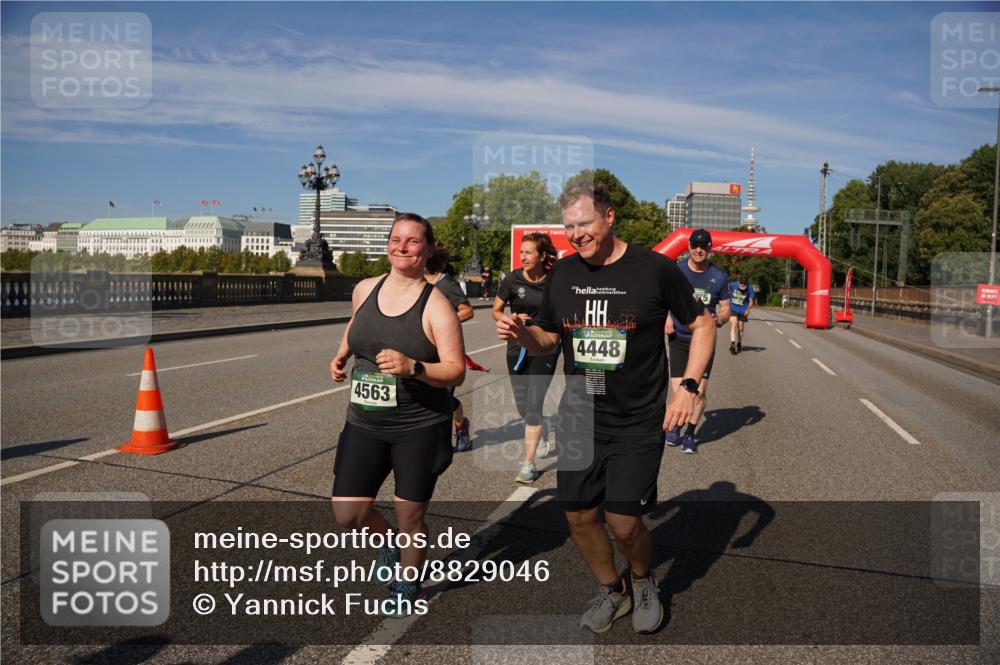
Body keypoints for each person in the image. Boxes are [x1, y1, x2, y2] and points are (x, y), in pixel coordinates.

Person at [496, 182, 716, 635]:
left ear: (609, 217)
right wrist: (523, 335)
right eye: (568, 226)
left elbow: (703, 322)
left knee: (623, 519)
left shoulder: (655, 270)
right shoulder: (563, 275)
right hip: (579, 416)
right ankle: (611, 589)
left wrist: (688, 386)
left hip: (637, 417)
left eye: (584, 223)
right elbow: (550, 338)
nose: (576, 234)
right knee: (578, 514)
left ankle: (641, 580)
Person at [329, 213, 466, 618]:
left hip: (418, 427)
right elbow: (357, 325)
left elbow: (455, 369)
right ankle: (388, 541)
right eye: (396, 239)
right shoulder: (365, 289)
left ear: (427, 249)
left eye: (412, 241)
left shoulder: (436, 305)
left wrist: (414, 367)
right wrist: (341, 354)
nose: (402, 247)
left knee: (411, 514)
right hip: (365, 421)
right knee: (347, 512)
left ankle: (408, 577)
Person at [492, 232, 560, 484]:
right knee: (523, 406)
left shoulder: (554, 280)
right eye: (521, 252)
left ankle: (528, 463)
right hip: (516, 346)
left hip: (546, 347)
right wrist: (509, 320)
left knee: (533, 403)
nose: (522, 257)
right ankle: (542, 432)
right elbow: (496, 310)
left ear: (542, 255)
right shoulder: (512, 280)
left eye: (528, 252)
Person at [663, 229, 730, 454]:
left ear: (710, 248)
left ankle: (690, 434)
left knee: (698, 391)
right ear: (689, 246)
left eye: (703, 246)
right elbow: (661, 298)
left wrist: (718, 320)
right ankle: (675, 427)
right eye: (695, 245)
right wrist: (666, 318)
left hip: (703, 341)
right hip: (679, 338)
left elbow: (726, 309)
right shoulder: (676, 270)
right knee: (678, 390)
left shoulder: (719, 276)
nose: (699, 249)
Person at [425, 243, 474, 452]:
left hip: (445, 351)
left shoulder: (446, 285)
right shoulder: (414, 282)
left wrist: (443, 325)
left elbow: (467, 311)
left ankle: (461, 428)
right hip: (422, 350)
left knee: (443, 398)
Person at [728, 275, 756, 354]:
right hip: (733, 308)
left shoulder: (750, 288)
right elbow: (725, 293)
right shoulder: (732, 285)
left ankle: (739, 343)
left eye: (744, 284)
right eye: (741, 284)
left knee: (740, 327)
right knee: (733, 324)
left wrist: (748, 309)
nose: (742, 285)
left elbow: (751, 301)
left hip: (743, 310)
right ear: (738, 282)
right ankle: (733, 343)